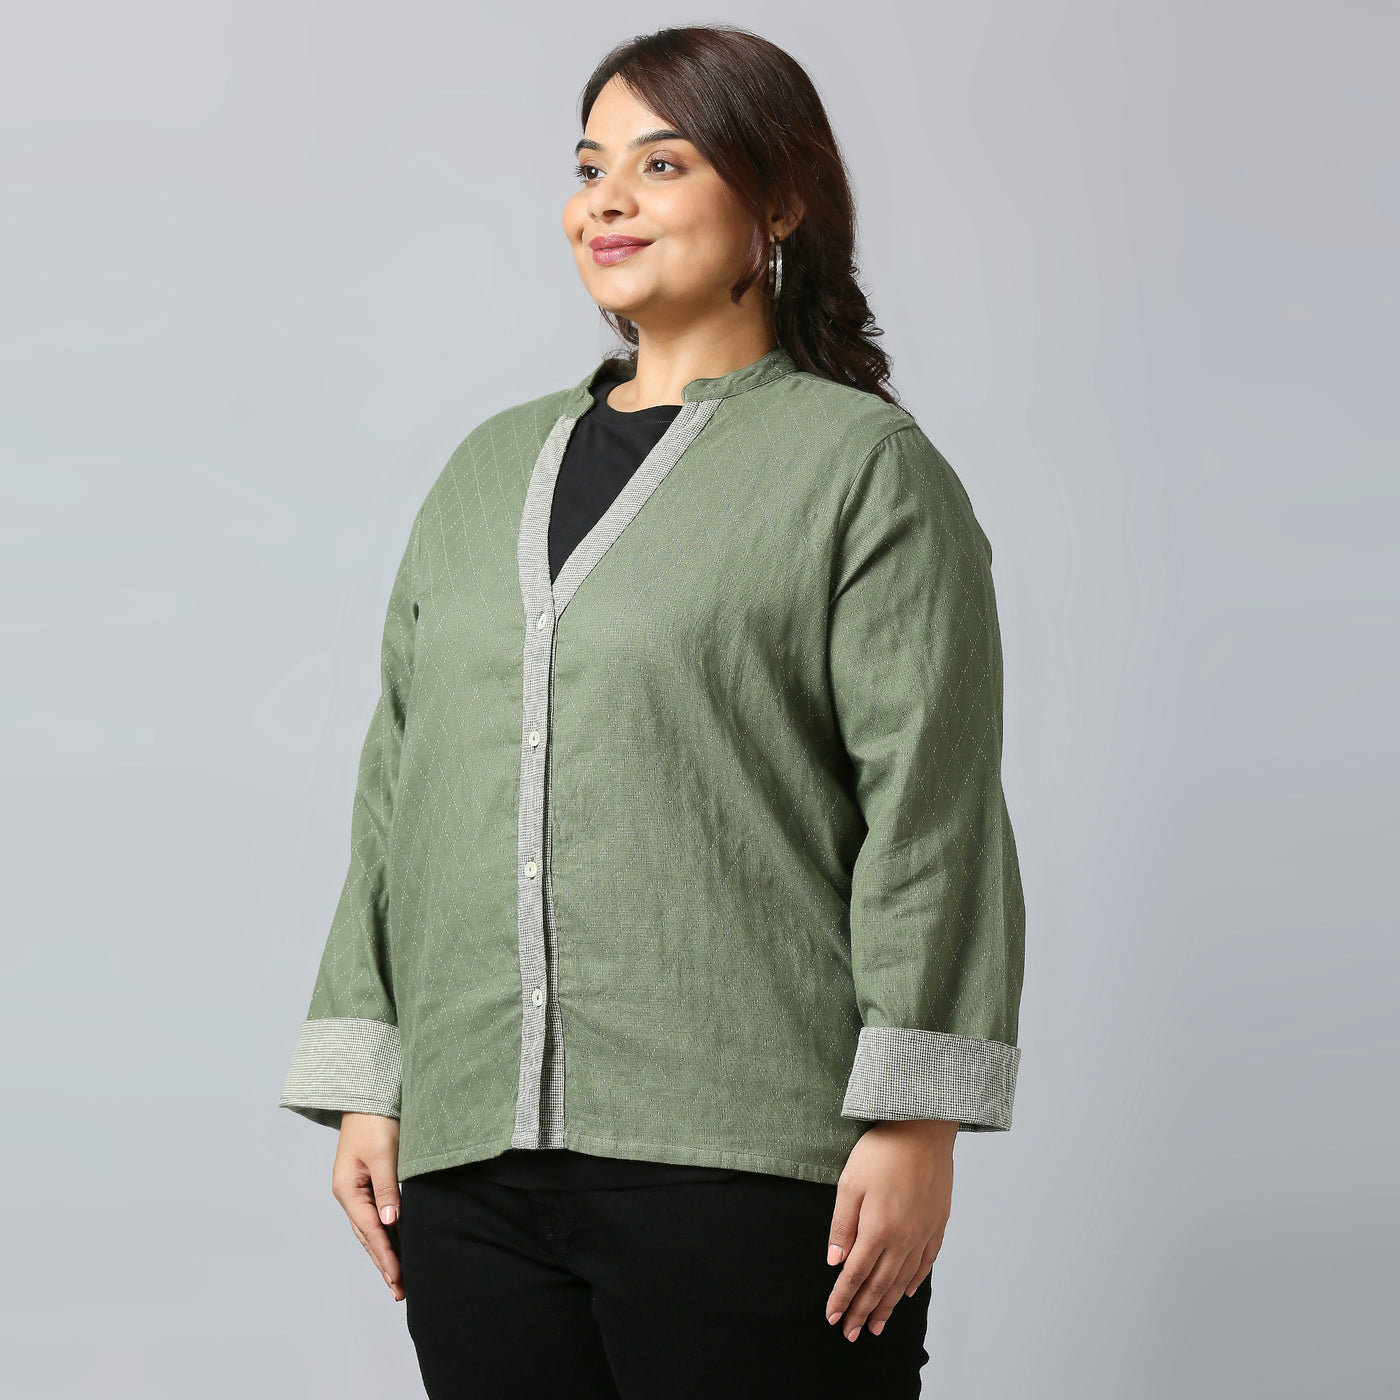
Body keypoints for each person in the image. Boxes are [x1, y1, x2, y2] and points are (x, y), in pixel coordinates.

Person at [278, 23, 1026, 1399]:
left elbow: (931, 805)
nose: (605, 201)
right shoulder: (484, 469)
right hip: (471, 1167)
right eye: (588, 168)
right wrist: (367, 1076)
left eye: (661, 163)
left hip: (748, 1161)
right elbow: (396, 788)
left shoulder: (860, 467)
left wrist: (917, 1119)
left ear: (778, 200)